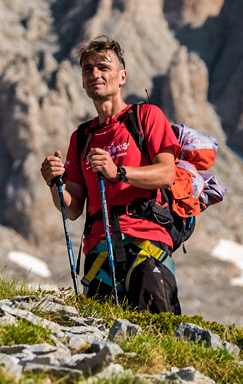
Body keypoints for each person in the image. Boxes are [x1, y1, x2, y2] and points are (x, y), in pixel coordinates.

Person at [39, 37, 182, 313]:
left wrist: (118, 172)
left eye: (104, 67)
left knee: (159, 335)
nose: (95, 74)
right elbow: (72, 209)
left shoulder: (146, 117)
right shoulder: (81, 137)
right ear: (82, 82)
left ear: (122, 76)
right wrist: (54, 183)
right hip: (99, 252)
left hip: (146, 242)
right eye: (88, 69)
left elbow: (166, 173)